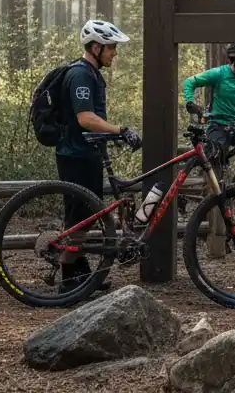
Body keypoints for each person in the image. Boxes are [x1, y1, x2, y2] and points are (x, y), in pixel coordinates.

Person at [57, 20, 142, 291]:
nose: (114, 52)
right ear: (96, 47)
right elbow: (85, 118)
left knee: (88, 215)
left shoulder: (92, 73)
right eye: (111, 48)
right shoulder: (81, 74)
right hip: (75, 154)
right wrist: (120, 130)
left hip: (87, 153)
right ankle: (68, 279)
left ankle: (81, 273)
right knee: (79, 217)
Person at [182, 43, 235, 169]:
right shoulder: (219, 73)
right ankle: (215, 185)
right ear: (234, 57)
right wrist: (189, 102)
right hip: (218, 125)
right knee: (217, 155)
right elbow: (190, 82)